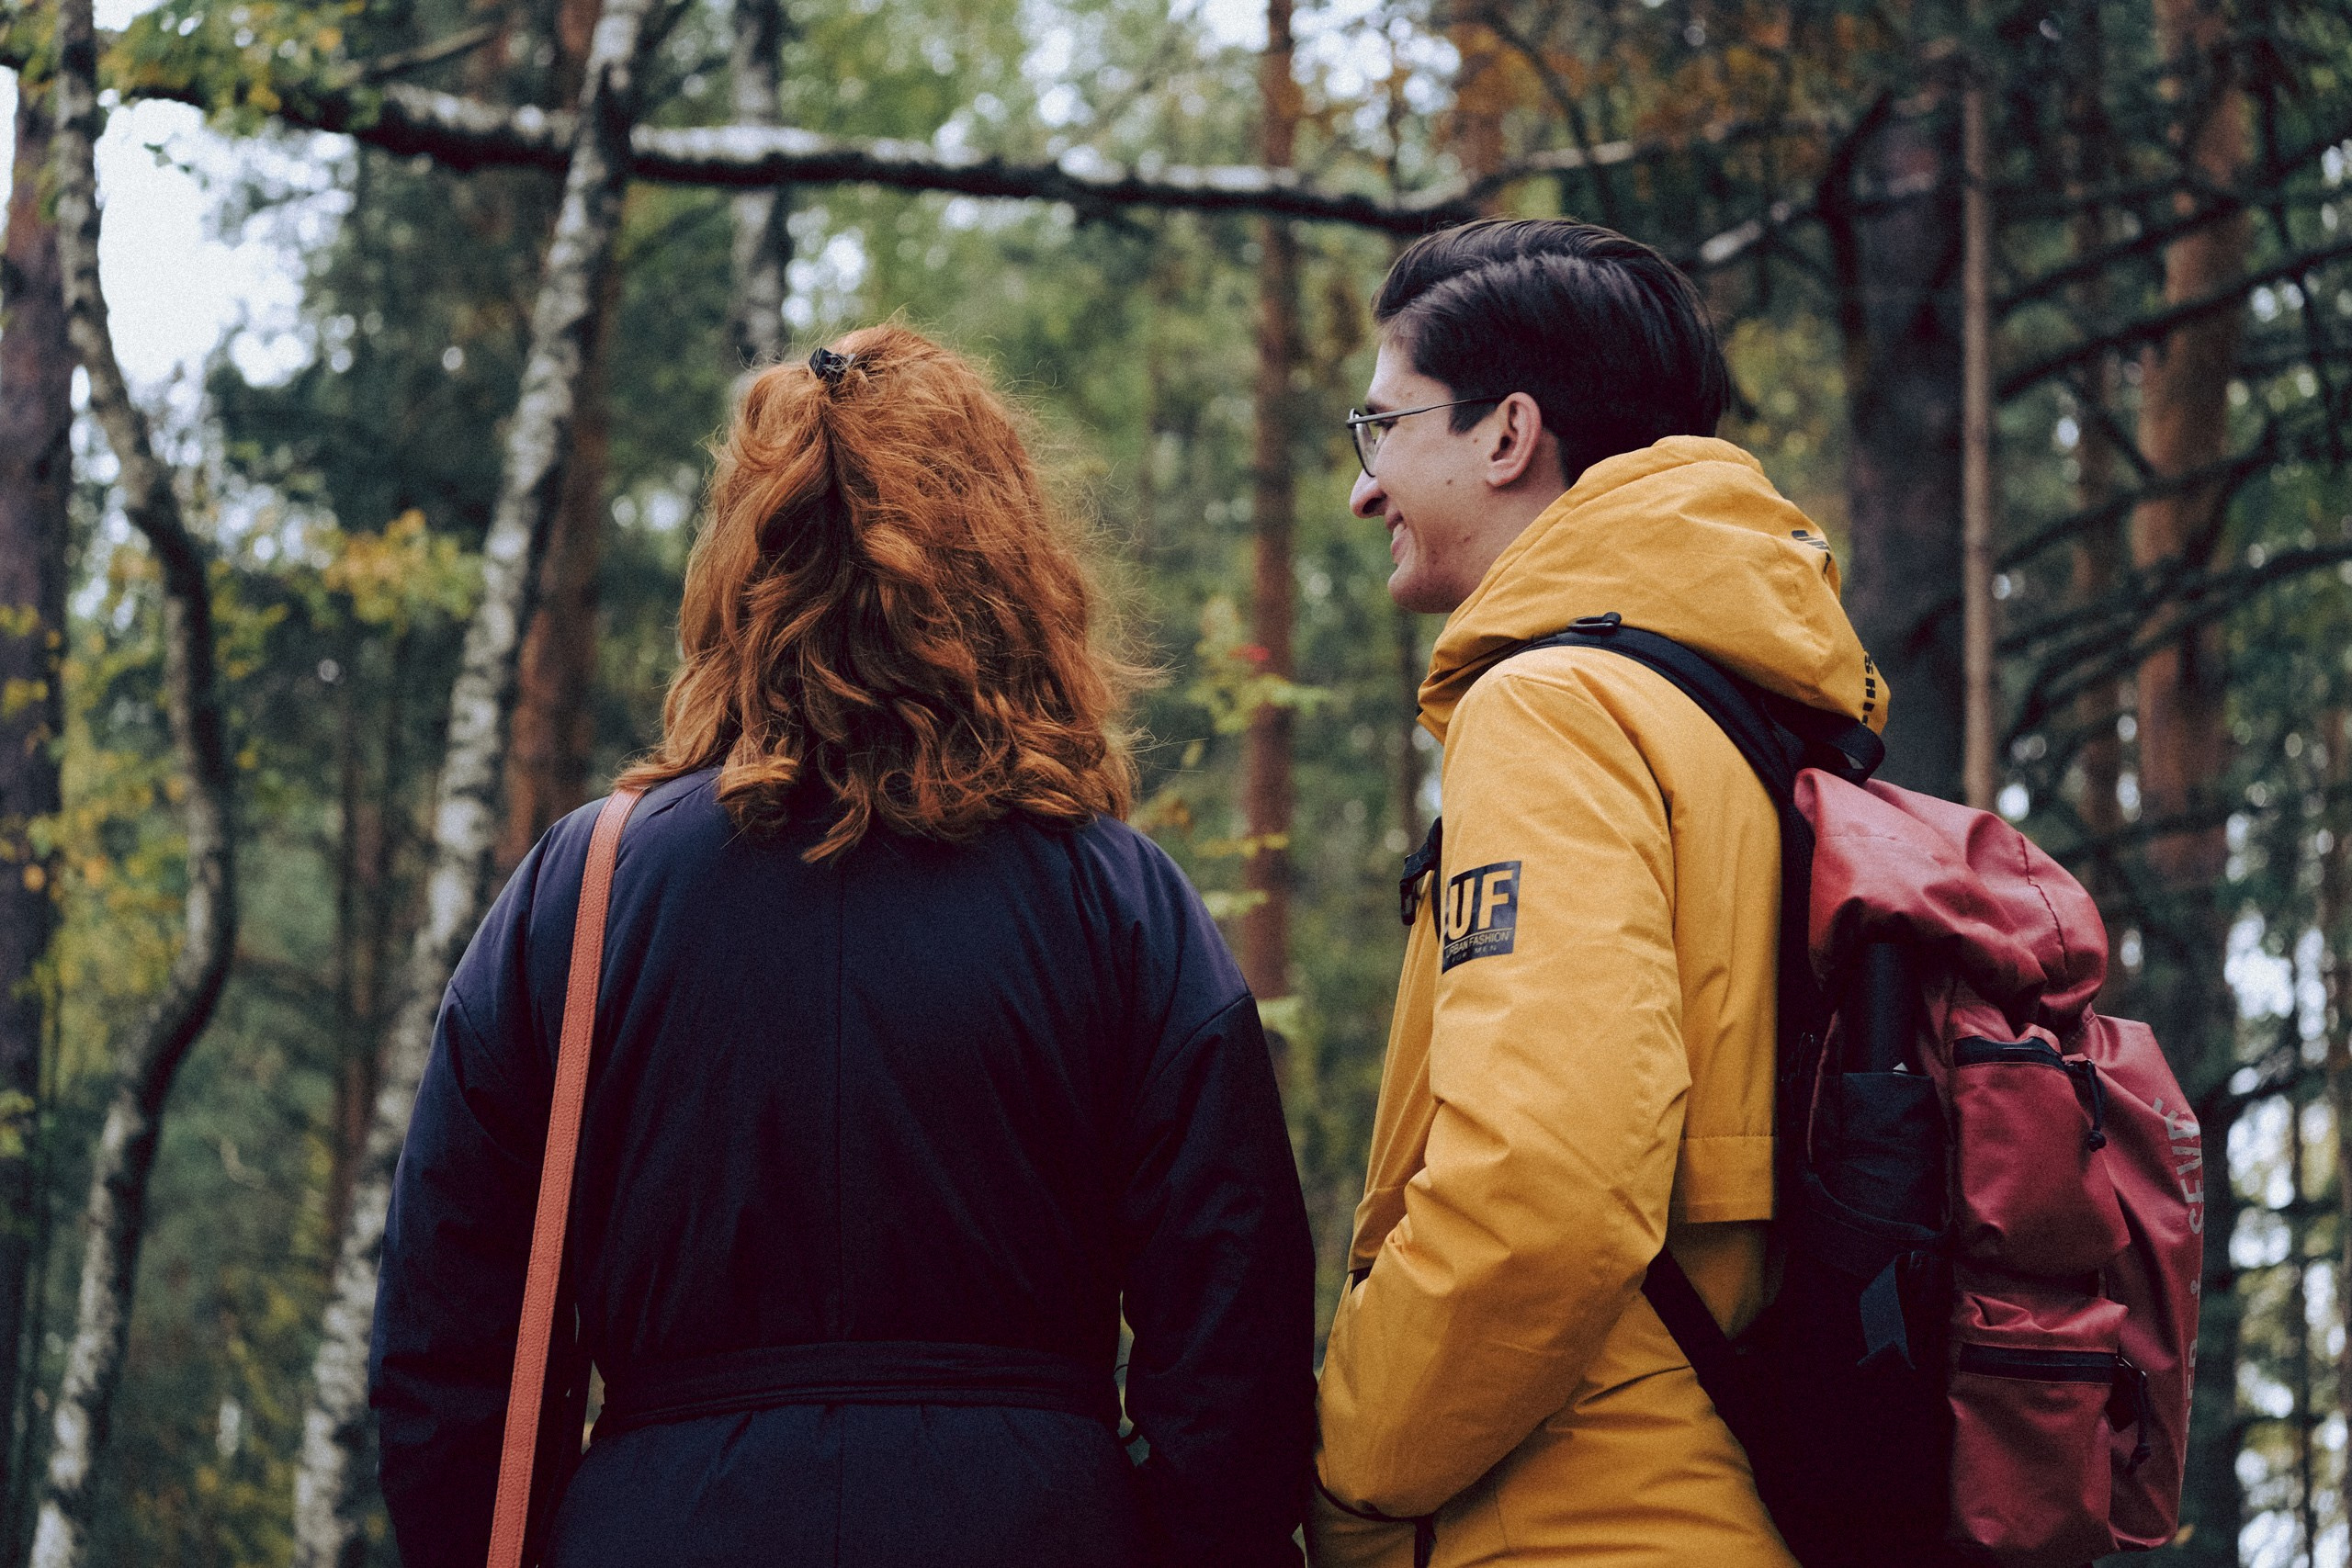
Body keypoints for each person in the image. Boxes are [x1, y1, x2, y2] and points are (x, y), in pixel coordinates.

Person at [370, 324, 1316, 1568]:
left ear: (741, 570)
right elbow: (1233, 1337)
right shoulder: (1116, 903)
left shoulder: (581, 892)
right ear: (1009, 565)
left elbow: (447, 1350)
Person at [1308, 220, 1887, 1566]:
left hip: (1574, 1520)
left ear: (1509, 435)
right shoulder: (1744, 719)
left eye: (1382, 428)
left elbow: (1543, 1193)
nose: (1364, 489)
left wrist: (1348, 1468)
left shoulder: (1554, 707)